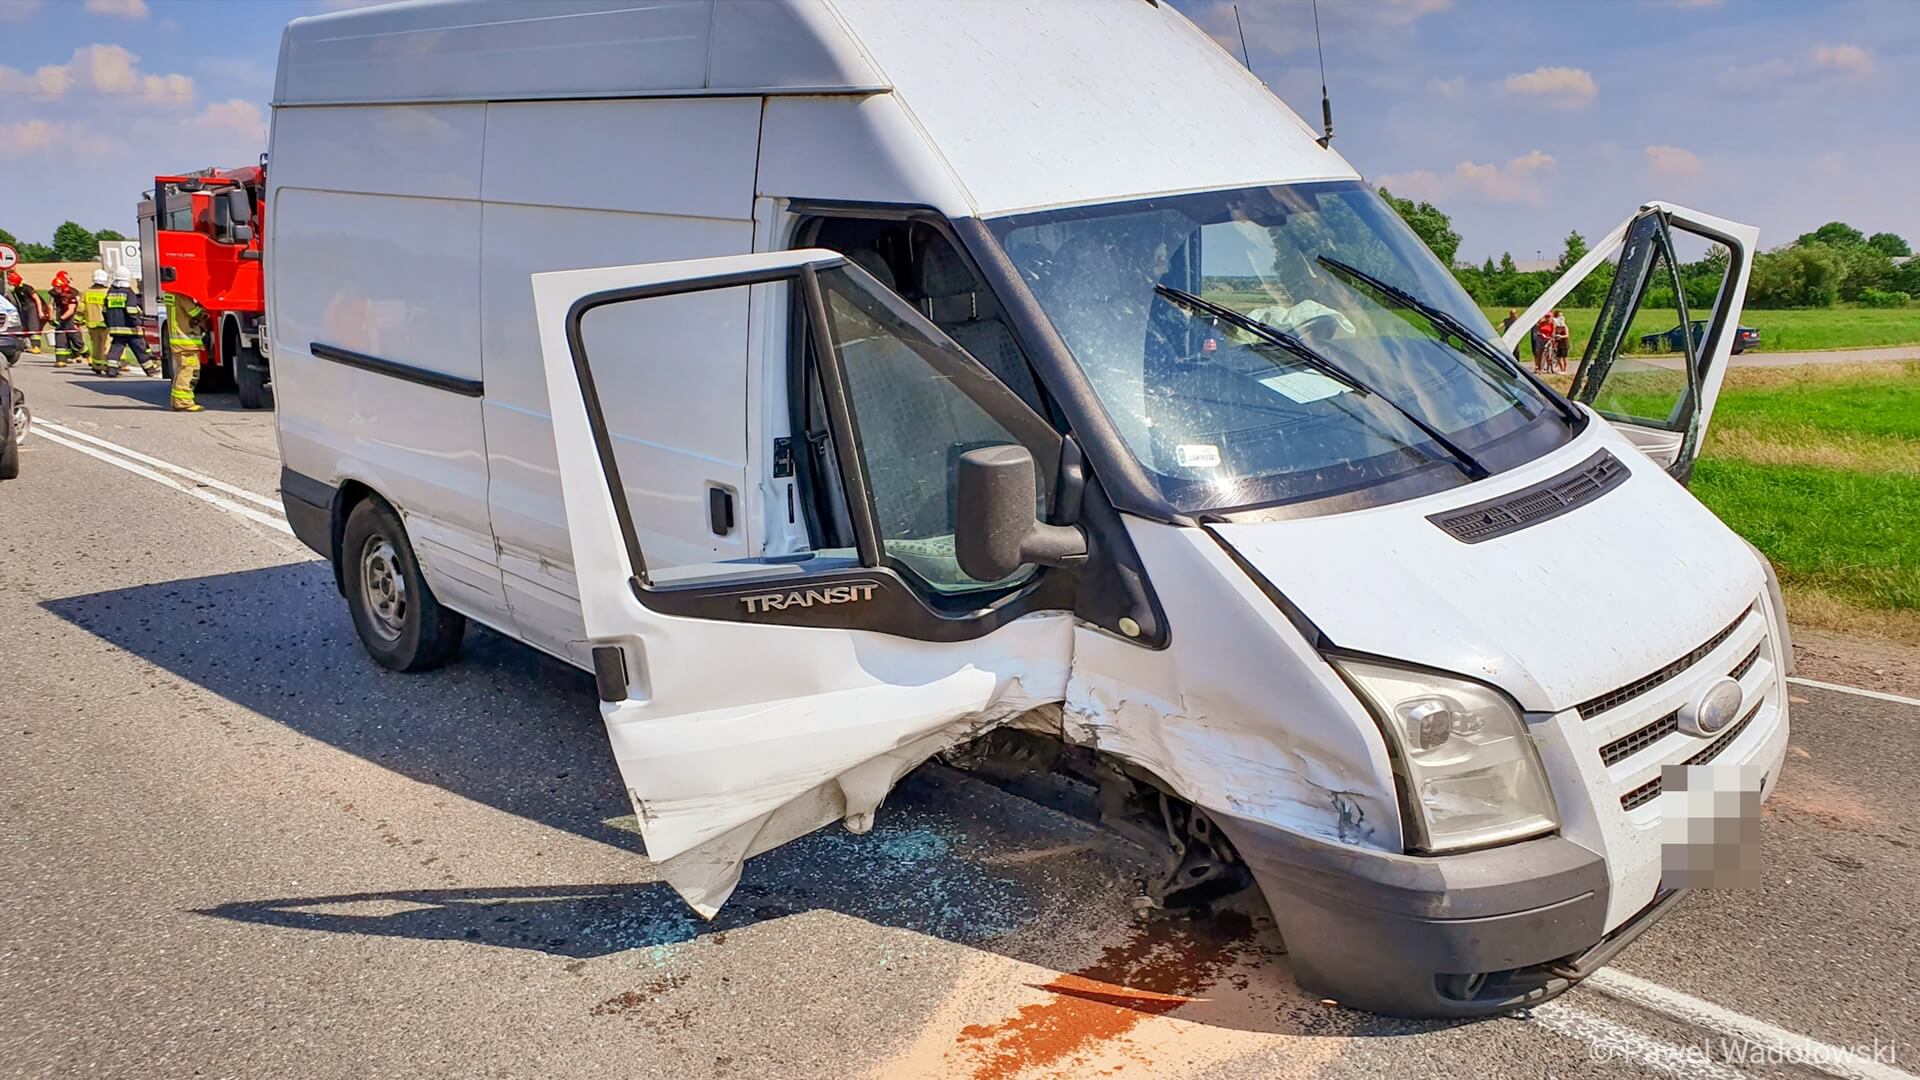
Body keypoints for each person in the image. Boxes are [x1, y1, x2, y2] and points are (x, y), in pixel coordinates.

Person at [101, 269, 157, 378]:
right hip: (130, 328)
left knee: (116, 348)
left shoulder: (110, 292)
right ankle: (150, 370)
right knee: (140, 349)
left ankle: (111, 370)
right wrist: (137, 323)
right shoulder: (128, 293)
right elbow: (131, 310)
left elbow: (104, 310)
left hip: (115, 328)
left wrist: (109, 323)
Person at [161, 290, 208, 412]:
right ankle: (183, 402)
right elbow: (195, 313)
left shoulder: (170, 294)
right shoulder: (182, 296)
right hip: (186, 340)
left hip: (179, 339)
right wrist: (205, 311)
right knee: (188, 371)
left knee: (182, 370)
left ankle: (177, 401)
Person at [48, 271, 86, 368]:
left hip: (71, 318)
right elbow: (51, 304)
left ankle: (82, 355)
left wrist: (77, 320)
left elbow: (75, 308)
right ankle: (62, 359)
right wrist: (51, 317)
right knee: (61, 338)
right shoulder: (54, 293)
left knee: (75, 338)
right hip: (61, 318)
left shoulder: (73, 293)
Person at [7, 271, 46, 354]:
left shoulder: (27, 288)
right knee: (25, 326)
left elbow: (37, 299)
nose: (9, 282)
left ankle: (36, 347)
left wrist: (40, 311)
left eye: (10, 281)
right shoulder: (17, 289)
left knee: (33, 326)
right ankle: (27, 345)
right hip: (25, 309)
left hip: (32, 308)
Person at [83, 269, 111, 374]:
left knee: (96, 345)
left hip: (92, 323)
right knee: (106, 345)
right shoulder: (107, 292)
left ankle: (97, 365)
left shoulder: (87, 292)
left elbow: (81, 308)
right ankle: (107, 365)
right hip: (105, 323)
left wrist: (78, 320)